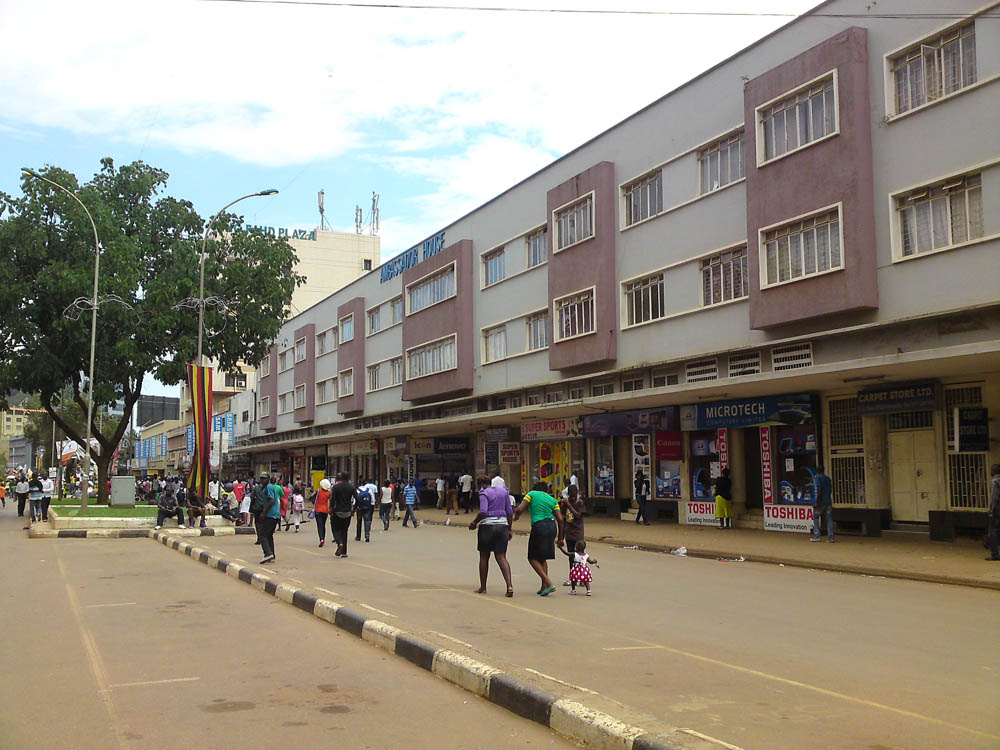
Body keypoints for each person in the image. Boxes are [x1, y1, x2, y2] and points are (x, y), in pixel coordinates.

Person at [513, 482, 565, 597]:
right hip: (552, 526)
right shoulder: (552, 500)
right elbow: (561, 520)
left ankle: (549, 583)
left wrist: (516, 516)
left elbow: (520, 509)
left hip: (539, 526)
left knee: (532, 558)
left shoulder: (531, 494)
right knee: (542, 558)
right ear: (547, 490)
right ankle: (544, 587)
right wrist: (561, 538)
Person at [469, 475, 514, 597]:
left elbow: (483, 511)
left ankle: (483, 587)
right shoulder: (504, 492)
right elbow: (509, 512)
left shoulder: (484, 493)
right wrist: (509, 529)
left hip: (487, 527)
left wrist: (474, 523)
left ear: (480, 485)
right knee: (501, 557)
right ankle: (509, 586)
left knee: (484, 557)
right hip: (503, 526)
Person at [561, 484, 586, 586]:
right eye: (570, 496)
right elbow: (562, 517)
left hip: (578, 533)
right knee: (571, 556)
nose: (572, 498)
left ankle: (582, 578)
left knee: (580, 556)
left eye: (574, 496)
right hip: (569, 532)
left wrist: (569, 505)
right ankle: (572, 578)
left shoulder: (579, 503)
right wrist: (563, 506)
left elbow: (578, 516)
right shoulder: (566, 503)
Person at [330, 472, 357, 557]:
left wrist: (331, 509)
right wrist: (354, 509)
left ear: (340, 478)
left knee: (335, 529)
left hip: (337, 512)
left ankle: (340, 543)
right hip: (348, 512)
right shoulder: (351, 487)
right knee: (344, 531)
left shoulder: (336, 487)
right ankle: (344, 552)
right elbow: (358, 499)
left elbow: (332, 499)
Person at [810, 465, 834, 543]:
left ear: (817, 470)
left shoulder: (817, 478)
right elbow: (830, 489)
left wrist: (816, 502)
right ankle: (831, 537)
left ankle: (817, 536)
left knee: (816, 517)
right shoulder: (828, 478)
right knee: (829, 518)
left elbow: (819, 490)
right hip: (828, 500)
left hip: (821, 501)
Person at [258, 479, 280, 564]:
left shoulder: (269, 487)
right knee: (269, 535)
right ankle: (272, 554)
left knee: (262, 535)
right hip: (275, 514)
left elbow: (272, 500)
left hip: (271, 514)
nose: (262, 480)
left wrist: (264, 512)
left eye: (263, 479)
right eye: (261, 478)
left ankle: (267, 553)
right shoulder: (266, 488)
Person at [354, 479, 377, 543]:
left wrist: (353, 509)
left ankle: (358, 536)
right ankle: (367, 535)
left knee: (359, 522)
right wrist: (372, 505)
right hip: (367, 508)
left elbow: (355, 500)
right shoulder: (368, 490)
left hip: (359, 508)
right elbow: (372, 499)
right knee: (367, 521)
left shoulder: (357, 490)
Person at [985, 464, 1000, 561]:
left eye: (991, 470)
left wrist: (991, 510)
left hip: (997, 510)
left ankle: (994, 554)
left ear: (994, 471)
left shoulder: (995, 481)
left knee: (992, 532)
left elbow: (994, 498)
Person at [313, 478, 332, 547]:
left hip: (318, 510)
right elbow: (332, 501)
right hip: (325, 510)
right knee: (323, 525)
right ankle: (323, 539)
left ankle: (321, 539)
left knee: (319, 525)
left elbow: (311, 497)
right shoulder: (329, 493)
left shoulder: (318, 491)